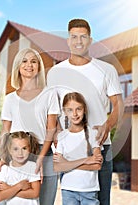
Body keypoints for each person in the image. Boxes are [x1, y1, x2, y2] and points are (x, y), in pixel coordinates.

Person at [47, 18, 124, 205]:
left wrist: (108, 125)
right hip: (70, 148)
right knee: (71, 199)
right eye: (74, 37)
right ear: (68, 40)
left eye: (83, 37)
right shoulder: (55, 72)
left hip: (100, 145)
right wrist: (57, 133)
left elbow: (119, 105)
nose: (78, 41)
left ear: (90, 40)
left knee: (102, 201)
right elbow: (51, 110)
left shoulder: (106, 69)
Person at [0, 48, 60, 205]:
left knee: (45, 201)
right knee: (10, 200)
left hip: (43, 153)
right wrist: (3, 157)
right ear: (18, 67)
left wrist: (40, 159)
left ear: (39, 66)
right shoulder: (10, 99)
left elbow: (51, 129)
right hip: (16, 153)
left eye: (34, 61)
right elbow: (5, 131)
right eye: (24, 61)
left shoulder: (50, 93)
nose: (29, 65)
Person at [53, 92, 102, 205]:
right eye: (70, 110)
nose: (74, 114)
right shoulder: (62, 137)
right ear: (65, 112)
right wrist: (86, 160)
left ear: (84, 110)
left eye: (78, 109)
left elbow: (97, 165)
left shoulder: (93, 134)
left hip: (89, 190)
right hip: (68, 189)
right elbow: (57, 167)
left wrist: (67, 164)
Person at [0, 131, 41, 205]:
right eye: (15, 149)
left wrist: (8, 189)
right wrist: (19, 186)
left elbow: (35, 193)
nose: (20, 153)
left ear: (29, 149)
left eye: (24, 148)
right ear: (10, 150)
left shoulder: (33, 167)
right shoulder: (4, 169)